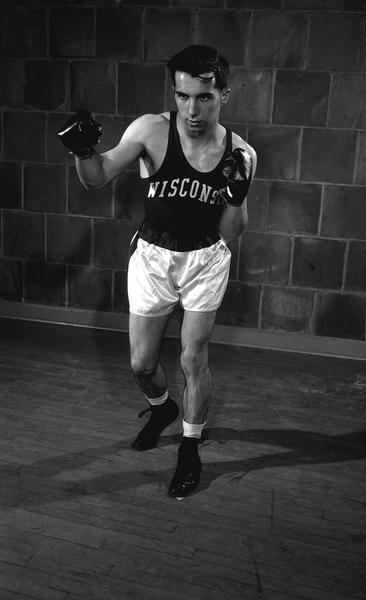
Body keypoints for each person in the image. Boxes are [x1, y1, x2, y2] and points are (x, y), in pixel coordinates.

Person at [58, 45, 257, 499]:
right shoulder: (150, 129)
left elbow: (232, 231)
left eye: (204, 97)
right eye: (183, 96)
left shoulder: (240, 152)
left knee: (193, 357)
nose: (192, 110)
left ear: (224, 94)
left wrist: (236, 196)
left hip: (206, 258)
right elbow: (96, 177)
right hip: (153, 256)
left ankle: (190, 446)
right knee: (142, 364)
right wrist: (83, 150)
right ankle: (163, 408)